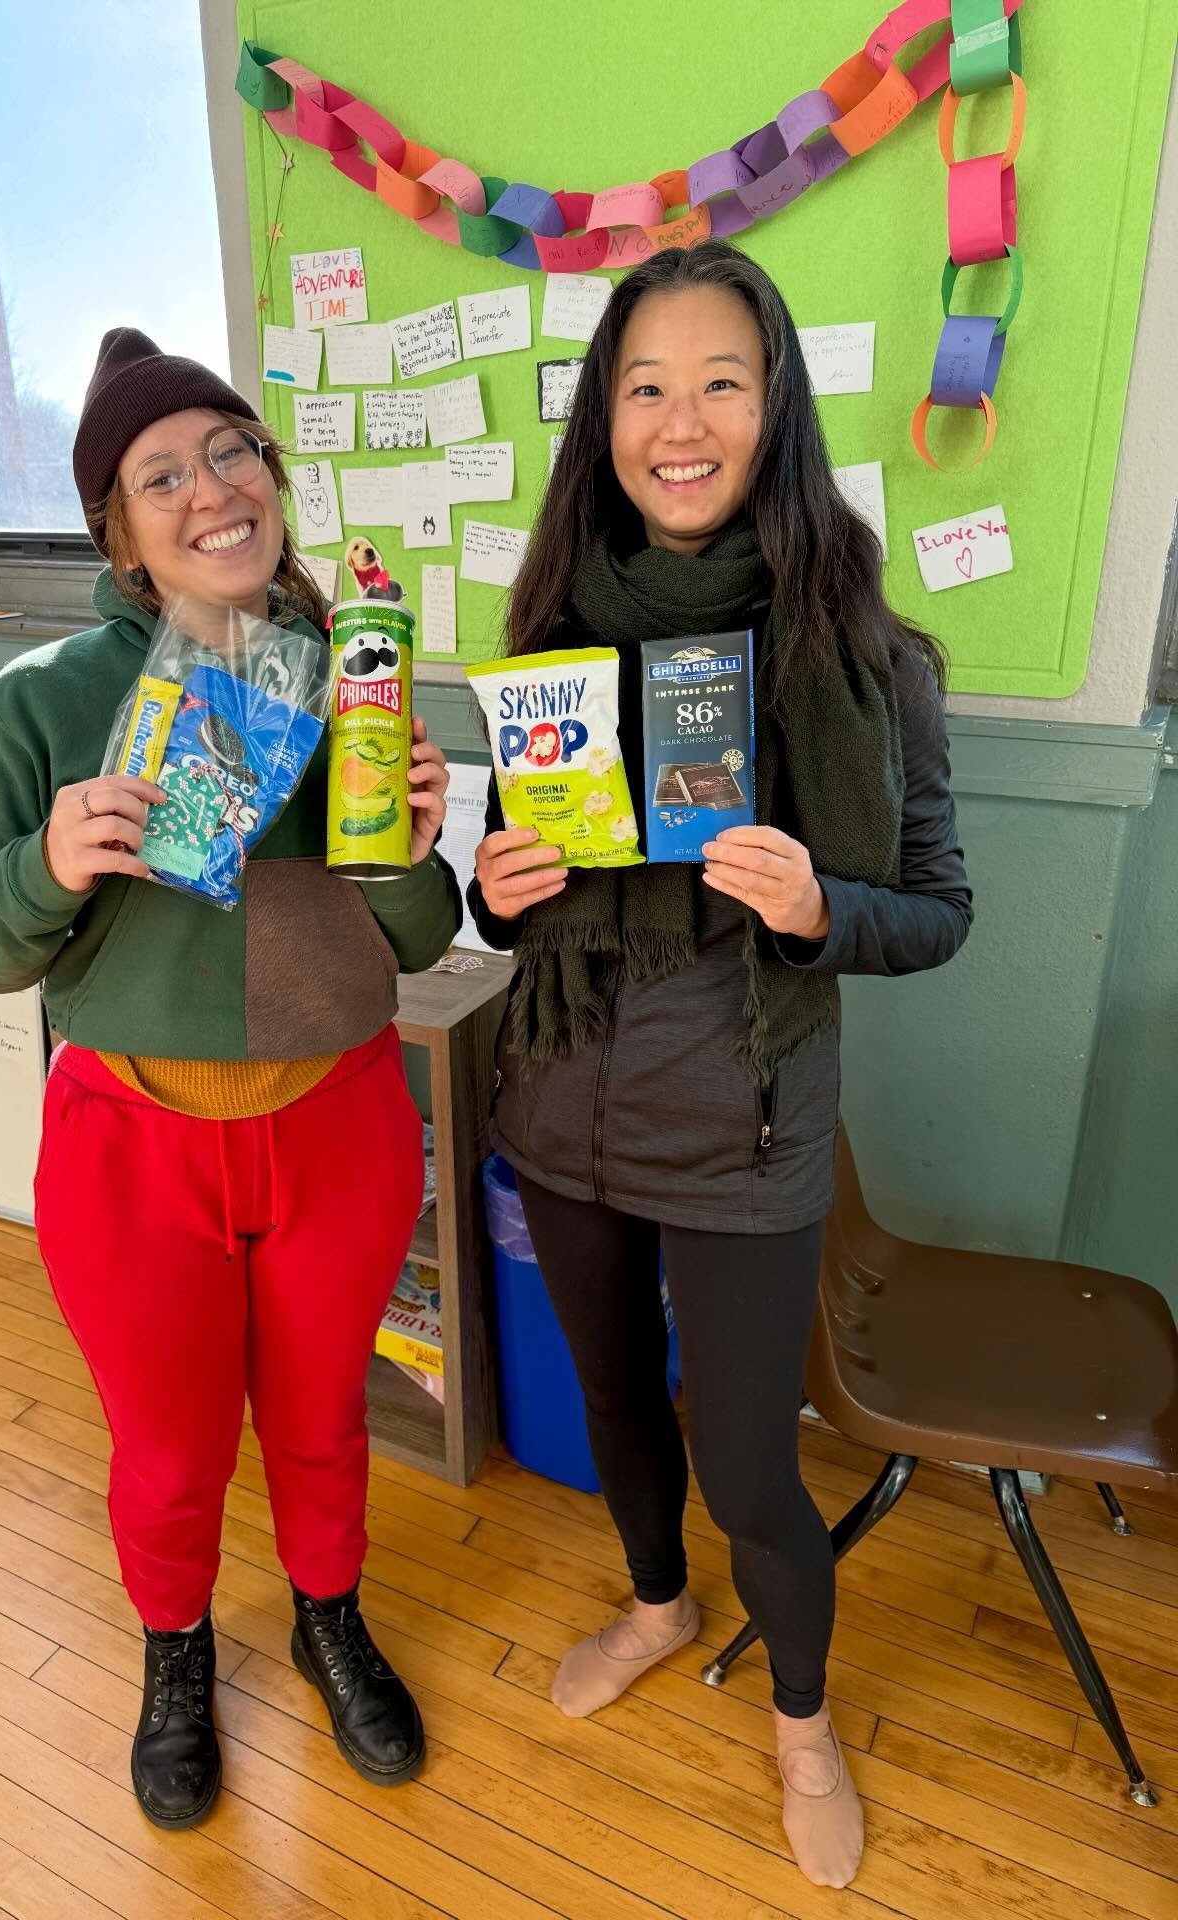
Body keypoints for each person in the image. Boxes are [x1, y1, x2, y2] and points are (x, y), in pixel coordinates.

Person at [469, 242, 972, 1891]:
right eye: (644, 386)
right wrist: (493, 884)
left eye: (720, 384)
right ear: (603, 418)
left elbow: (937, 913)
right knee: (617, 1405)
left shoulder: (864, 649)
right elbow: (512, 865)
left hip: (747, 1123)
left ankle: (806, 1723)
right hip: (558, 1103)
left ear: (776, 409)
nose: (680, 423)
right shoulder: (556, 625)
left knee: (750, 1459)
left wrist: (826, 908)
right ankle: (654, 1603)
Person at [0, 329, 459, 1828]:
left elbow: (422, 938)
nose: (211, 489)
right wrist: (48, 863)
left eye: (232, 453)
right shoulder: (41, 702)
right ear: (120, 529)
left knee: (321, 1418)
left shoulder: (355, 671)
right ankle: (174, 1657)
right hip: (131, 1143)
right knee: (165, 1447)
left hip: (336, 1125)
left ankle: (328, 1616)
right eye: (163, 475)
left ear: (270, 480)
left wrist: (410, 842)